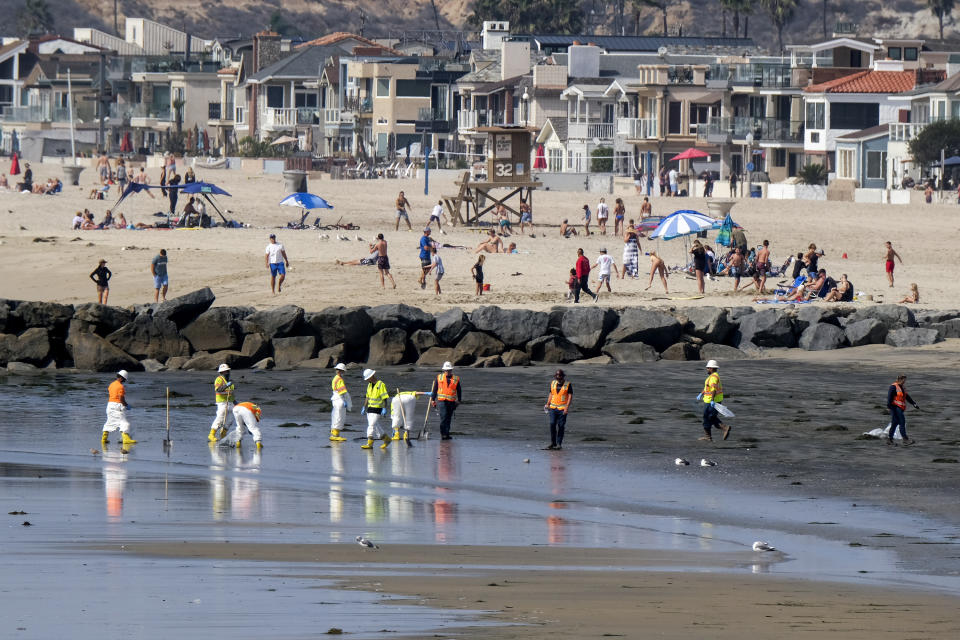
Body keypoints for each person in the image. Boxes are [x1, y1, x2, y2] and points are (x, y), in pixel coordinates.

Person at [102, 370, 137, 445]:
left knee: (109, 422)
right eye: (124, 379)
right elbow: (121, 398)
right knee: (124, 423)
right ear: (121, 378)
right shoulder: (120, 386)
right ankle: (126, 439)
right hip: (117, 406)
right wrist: (126, 405)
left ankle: (104, 439)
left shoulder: (111, 384)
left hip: (110, 405)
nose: (124, 381)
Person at [699, 360, 730, 442]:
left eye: (708, 368)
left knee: (707, 418)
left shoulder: (713, 378)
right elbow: (707, 388)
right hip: (713, 400)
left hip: (711, 401)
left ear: (712, 368)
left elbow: (713, 390)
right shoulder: (713, 376)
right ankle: (709, 436)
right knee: (711, 417)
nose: (707, 369)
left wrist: (712, 400)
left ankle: (723, 428)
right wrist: (701, 394)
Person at [360, 369, 392, 449]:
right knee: (376, 426)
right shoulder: (369, 385)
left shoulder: (381, 385)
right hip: (370, 409)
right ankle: (386, 439)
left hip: (378, 409)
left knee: (371, 425)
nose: (367, 380)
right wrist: (364, 406)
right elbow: (367, 396)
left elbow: (385, 397)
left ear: (371, 376)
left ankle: (370, 443)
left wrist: (384, 408)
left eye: (367, 378)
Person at [430, 361, 461, 440]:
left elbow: (459, 390)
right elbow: (435, 390)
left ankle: (447, 434)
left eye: (449, 370)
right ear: (444, 370)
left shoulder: (456, 379)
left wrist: (459, 400)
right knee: (443, 418)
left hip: (451, 402)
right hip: (442, 401)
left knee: (448, 418)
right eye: (446, 370)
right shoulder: (439, 377)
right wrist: (432, 399)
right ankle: (443, 434)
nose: (448, 371)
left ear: (451, 370)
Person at [886, 374, 920, 446]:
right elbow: (889, 397)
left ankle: (889, 440)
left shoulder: (902, 387)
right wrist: (889, 407)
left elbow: (907, 396)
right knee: (902, 422)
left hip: (900, 408)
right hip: (895, 407)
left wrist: (913, 403)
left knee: (895, 423)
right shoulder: (893, 387)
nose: (905, 381)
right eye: (904, 379)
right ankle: (905, 439)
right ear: (901, 379)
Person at [543, 369, 572, 450]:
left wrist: (567, 407)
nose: (558, 379)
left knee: (561, 426)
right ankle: (553, 443)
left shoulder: (568, 385)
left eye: (560, 377)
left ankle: (559, 444)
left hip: (562, 409)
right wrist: (547, 403)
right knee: (552, 424)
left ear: (563, 377)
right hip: (552, 408)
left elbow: (570, 396)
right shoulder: (553, 383)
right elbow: (551, 393)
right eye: (557, 377)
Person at [208, 364, 235, 442]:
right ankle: (211, 434)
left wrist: (236, 403)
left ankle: (223, 434)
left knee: (230, 420)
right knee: (220, 418)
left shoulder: (230, 381)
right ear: (222, 372)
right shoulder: (219, 379)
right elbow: (218, 390)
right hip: (222, 402)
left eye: (228, 371)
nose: (228, 372)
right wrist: (226, 385)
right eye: (226, 371)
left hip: (230, 403)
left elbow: (232, 394)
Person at [329, 363, 351, 442]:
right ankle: (335, 434)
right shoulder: (339, 379)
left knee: (335, 415)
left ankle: (335, 433)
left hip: (335, 398)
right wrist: (344, 400)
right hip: (339, 399)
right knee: (339, 416)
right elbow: (342, 391)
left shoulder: (335, 378)